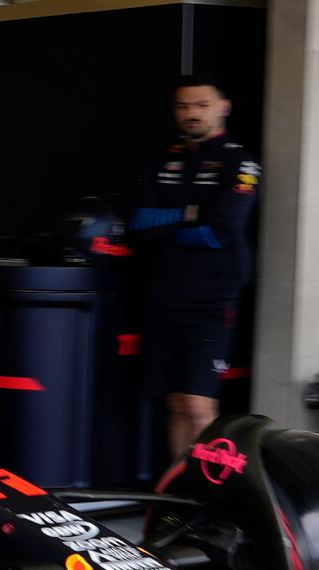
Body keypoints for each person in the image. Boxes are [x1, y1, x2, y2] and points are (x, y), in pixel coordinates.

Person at [127, 74, 260, 458]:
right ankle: (179, 498)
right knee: (176, 405)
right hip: (163, 296)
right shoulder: (163, 159)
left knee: (200, 407)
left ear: (223, 107)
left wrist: (168, 223)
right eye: (184, 106)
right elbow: (138, 224)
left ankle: (206, 499)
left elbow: (219, 231)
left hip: (212, 300)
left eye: (201, 105)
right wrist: (190, 214)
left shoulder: (240, 161)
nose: (191, 113)